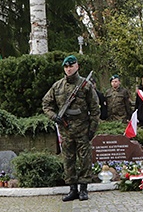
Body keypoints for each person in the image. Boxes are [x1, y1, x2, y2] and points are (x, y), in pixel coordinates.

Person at [42, 55, 100, 202]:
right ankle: (72, 189)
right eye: (66, 67)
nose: (69, 69)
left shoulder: (85, 86)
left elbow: (95, 109)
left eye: (71, 66)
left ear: (77, 66)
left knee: (85, 159)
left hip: (83, 130)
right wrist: (54, 117)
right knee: (68, 160)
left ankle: (84, 189)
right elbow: (46, 104)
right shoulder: (57, 86)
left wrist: (92, 130)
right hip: (66, 131)